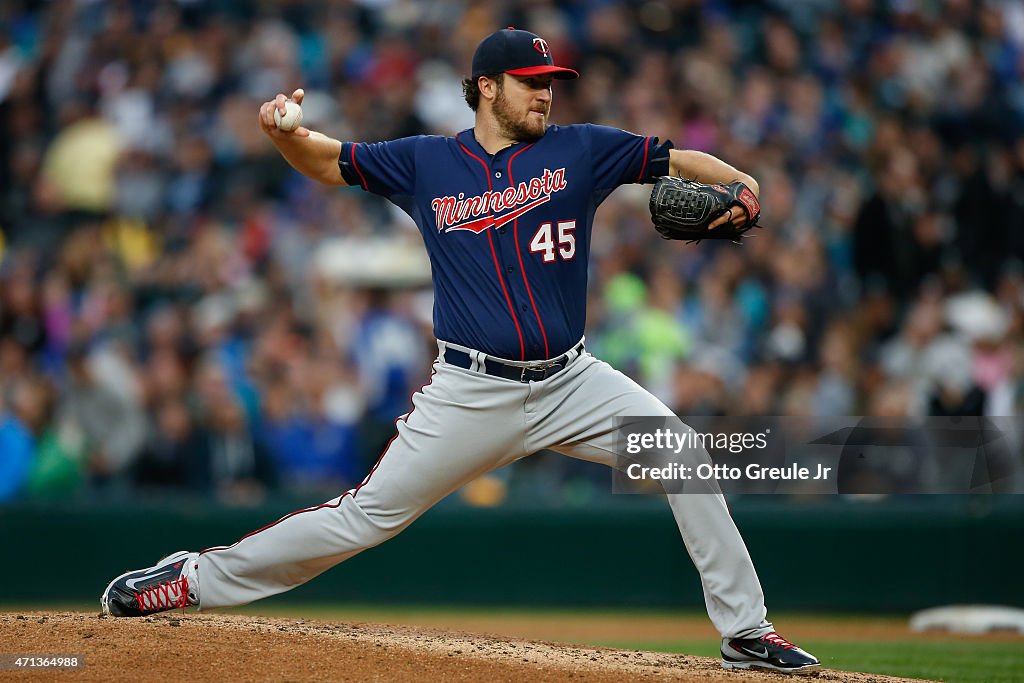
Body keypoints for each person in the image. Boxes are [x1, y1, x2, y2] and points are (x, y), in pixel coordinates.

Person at [101, 28, 820, 675]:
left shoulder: (581, 149)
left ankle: (745, 631)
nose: (545, 93)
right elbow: (328, 163)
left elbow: (676, 156)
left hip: (573, 380)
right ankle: (191, 577)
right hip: (472, 390)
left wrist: (741, 186)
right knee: (363, 517)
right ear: (486, 86)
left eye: (550, 83)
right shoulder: (427, 163)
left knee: (682, 454)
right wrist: (287, 132)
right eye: (531, 83)